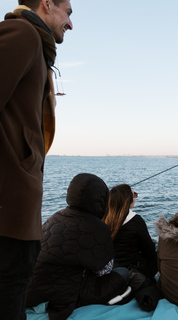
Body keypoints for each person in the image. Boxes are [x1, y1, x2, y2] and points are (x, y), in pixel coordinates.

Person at [0, 0, 73, 318]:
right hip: (9, 213)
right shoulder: (23, 34)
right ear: (47, 4)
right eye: (68, 13)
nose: (70, 24)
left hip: (18, 209)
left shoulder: (36, 45)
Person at [26, 173, 131, 320]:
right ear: (100, 200)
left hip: (31, 288)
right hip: (63, 293)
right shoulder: (99, 228)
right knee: (124, 272)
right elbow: (103, 271)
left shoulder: (55, 217)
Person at [103, 184, 157, 280]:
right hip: (132, 271)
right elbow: (149, 250)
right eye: (134, 195)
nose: (135, 197)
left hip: (108, 268)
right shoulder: (135, 220)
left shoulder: (103, 218)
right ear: (129, 200)